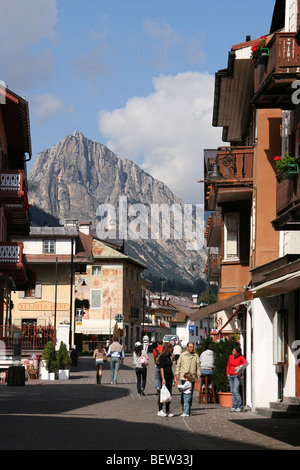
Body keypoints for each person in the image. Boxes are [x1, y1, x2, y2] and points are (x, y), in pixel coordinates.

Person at [175, 342, 201, 411]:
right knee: (184, 391)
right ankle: (183, 404)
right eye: (191, 347)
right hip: (184, 376)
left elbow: (198, 366)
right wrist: (177, 374)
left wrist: (198, 374)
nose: (192, 348)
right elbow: (178, 365)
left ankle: (189, 405)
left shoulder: (196, 356)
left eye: (193, 347)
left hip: (192, 376)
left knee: (190, 392)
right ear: (187, 347)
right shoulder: (183, 355)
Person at [226, 346, 248, 412]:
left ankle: (240, 406)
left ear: (238, 353)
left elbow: (245, 363)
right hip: (230, 375)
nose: (233, 352)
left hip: (236, 376)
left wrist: (238, 366)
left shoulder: (240, 357)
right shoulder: (230, 357)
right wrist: (227, 374)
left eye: (234, 352)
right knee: (232, 392)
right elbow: (228, 365)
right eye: (233, 351)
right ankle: (234, 406)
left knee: (236, 391)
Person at [157, 342, 175, 417]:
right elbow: (161, 368)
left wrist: (174, 378)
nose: (172, 350)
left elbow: (170, 369)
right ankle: (160, 410)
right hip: (164, 377)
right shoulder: (162, 357)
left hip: (169, 377)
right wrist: (163, 379)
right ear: (168, 348)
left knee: (169, 393)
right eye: (171, 348)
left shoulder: (168, 356)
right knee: (163, 393)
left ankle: (168, 410)